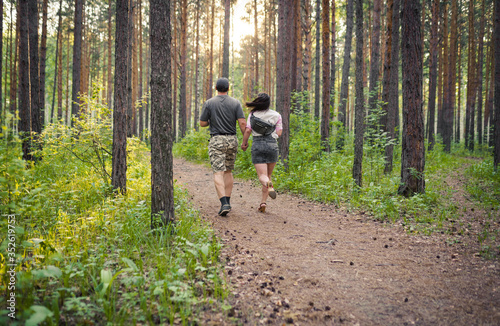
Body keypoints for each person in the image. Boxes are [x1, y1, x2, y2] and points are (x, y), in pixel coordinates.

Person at [200, 78, 246, 216]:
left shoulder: (209, 103)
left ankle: (224, 203)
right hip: (232, 139)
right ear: (228, 88)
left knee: (218, 172)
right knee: (228, 171)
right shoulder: (236, 103)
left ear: (216, 88)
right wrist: (245, 141)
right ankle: (228, 201)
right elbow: (242, 123)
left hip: (217, 139)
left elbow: (202, 123)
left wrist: (211, 121)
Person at [241, 93, 282, 213]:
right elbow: (279, 132)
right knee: (268, 176)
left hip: (258, 145)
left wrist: (244, 143)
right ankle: (263, 202)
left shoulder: (253, 115)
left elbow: (248, 130)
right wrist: (272, 136)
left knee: (262, 177)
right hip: (272, 145)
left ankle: (269, 185)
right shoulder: (276, 115)